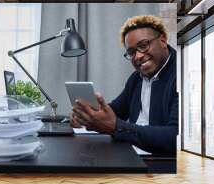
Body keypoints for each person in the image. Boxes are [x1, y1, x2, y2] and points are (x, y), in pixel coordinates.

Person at [70, 15, 178, 156]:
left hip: (158, 163)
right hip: (131, 151)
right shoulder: (136, 78)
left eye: (143, 45)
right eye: (132, 52)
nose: (138, 56)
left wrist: (116, 127)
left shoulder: (181, 73)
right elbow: (116, 110)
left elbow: (174, 138)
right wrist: (88, 116)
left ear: (163, 41)